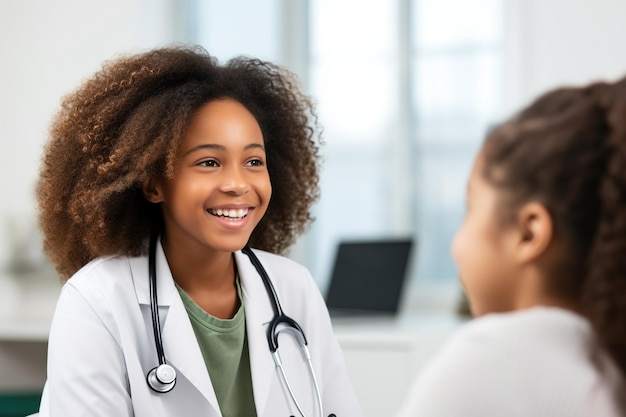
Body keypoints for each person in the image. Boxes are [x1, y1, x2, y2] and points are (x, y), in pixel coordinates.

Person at [36, 45, 363, 417]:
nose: (238, 184)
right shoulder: (97, 301)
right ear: (153, 184)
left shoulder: (293, 288)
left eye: (253, 161)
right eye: (209, 162)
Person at [397, 76, 626, 416]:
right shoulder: (610, 364)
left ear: (529, 233)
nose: (456, 243)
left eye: (471, 209)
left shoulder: (490, 360)